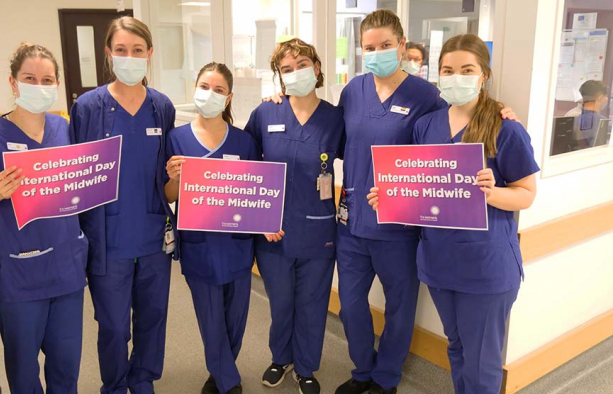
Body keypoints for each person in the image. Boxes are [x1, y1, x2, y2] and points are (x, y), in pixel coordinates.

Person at [332, 9, 518, 394]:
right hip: (352, 221)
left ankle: (385, 379)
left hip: (401, 225)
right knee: (350, 306)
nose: (378, 52)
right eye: (370, 47)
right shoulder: (352, 91)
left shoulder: (426, 96)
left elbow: (456, 133)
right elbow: (329, 135)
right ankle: (362, 370)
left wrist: (500, 112)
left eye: (385, 45)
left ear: (401, 46)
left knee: (400, 309)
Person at [368, 33, 539, 394]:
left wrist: (493, 194)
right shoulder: (426, 126)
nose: (456, 76)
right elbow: (421, 188)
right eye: (448, 70)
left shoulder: (505, 127)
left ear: (483, 76)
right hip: (439, 262)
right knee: (459, 350)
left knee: (480, 367)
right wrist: (391, 197)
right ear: (438, 74)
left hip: (485, 266)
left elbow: (526, 195)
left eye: (467, 69)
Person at [0, 42, 88, 394]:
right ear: (14, 83)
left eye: (48, 79)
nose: (39, 85)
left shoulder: (64, 130)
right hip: (19, 275)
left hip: (65, 269)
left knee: (66, 367)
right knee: (24, 372)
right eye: (30, 78)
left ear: (57, 85)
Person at [68, 16, 177, 394]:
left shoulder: (161, 108)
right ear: (108, 54)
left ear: (149, 54)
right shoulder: (87, 107)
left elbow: (166, 176)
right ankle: (114, 385)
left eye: (136, 50)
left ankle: (143, 378)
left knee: (153, 316)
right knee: (113, 324)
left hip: (151, 234)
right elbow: (77, 175)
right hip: (106, 237)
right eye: (120, 50)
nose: (128, 57)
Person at [244, 38, 344, 394]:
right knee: (281, 302)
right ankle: (280, 358)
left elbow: (361, 160)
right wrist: (259, 219)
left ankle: (306, 367)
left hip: (319, 230)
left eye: (302, 64)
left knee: (313, 303)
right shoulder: (265, 113)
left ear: (316, 68)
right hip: (274, 232)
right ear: (279, 77)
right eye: (286, 69)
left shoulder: (335, 117)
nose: (295, 72)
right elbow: (247, 169)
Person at [165, 62, 258, 394]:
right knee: (210, 316)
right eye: (205, 86)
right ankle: (228, 380)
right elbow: (168, 194)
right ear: (195, 88)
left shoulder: (244, 142)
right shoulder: (177, 139)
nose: (210, 94)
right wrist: (175, 179)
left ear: (229, 97)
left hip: (236, 244)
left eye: (218, 90)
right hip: (199, 244)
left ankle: (221, 370)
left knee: (235, 317)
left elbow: (256, 194)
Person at [565, 80, 609, 148]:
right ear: (600, 97)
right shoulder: (603, 121)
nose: (606, 99)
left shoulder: (574, 119)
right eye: (606, 96)